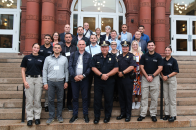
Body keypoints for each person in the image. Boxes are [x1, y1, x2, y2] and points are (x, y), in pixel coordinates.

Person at [91, 41, 119, 124]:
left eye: (106, 47)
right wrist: (101, 75)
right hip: (98, 81)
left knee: (108, 99)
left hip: (109, 82)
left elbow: (116, 69)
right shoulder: (96, 57)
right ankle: (97, 117)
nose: (104, 48)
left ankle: (107, 116)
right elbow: (93, 67)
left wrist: (107, 75)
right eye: (102, 47)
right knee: (97, 100)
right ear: (100, 48)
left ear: (108, 48)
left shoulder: (113, 57)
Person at [43, 43, 69, 125]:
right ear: (53, 49)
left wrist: (66, 81)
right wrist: (45, 82)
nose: (57, 49)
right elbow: (44, 70)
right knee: (50, 100)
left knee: (60, 99)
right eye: (55, 48)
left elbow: (66, 71)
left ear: (61, 49)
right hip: (50, 81)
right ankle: (51, 117)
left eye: (58, 48)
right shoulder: (47, 59)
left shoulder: (64, 59)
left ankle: (59, 116)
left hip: (60, 81)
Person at [137, 40, 163, 122]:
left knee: (154, 97)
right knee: (144, 97)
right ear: (147, 47)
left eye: (152, 45)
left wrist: (152, 76)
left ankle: (153, 114)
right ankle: (142, 114)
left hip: (155, 78)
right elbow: (141, 67)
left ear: (155, 46)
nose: (151, 46)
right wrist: (147, 76)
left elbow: (160, 68)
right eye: (149, 45)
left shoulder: (158, 56)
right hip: (145, 78)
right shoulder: (144, 56)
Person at [21, 43, 45, 126]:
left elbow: (44, 70)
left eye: (37, 48)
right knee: (29, 99)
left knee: (37, 99)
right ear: (32, 48)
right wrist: (25, 81)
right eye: (34, 47)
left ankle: (37, 117)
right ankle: (30, 118)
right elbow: (23, 70)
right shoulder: (26, 58)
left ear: (39, 49)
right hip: (29, 79)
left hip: (38, 79)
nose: (36, 49)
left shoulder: (42, 58)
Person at [68, 40, 92, 123]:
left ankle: (85, 114)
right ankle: (75, 115)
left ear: (85, 45)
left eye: (83, 44)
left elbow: (90, 67)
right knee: (75, 97)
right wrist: (74, 76)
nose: (81, 46)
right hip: (74, 80)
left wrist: (84, 75)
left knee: (85, 97)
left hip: (84, 79)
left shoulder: (89, 55)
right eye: (80, 44)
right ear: (77, 45)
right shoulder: (73, 54)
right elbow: (70, 66)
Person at [116, 41, 136, 122]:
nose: (124, 48)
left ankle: (128, 115)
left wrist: (123, 72)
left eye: (126, 47)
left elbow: (131, 67)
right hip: (119, 79)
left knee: (128, 97)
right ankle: (123, 113)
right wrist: (118, 73)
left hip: (128, 79)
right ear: (121, 47)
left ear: (128, 47)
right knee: (121, 97)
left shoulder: (132, 56)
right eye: (123, 47)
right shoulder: (119, 56)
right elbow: (115, 66)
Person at [161, 46, 179, 122]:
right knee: (166, 98)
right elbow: (160, 69)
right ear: (164, 51)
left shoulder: (174, 60)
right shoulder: (162, 60)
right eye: (166, 50)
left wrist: (167, 76)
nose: (167, 51)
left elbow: (176, 71)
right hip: (164, 79)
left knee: (172, 98)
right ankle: (167, 114)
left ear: (171, 51)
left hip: (171, 79)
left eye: (169, 50)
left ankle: (173, 115)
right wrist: (163, 76)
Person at [61, 33, 77, 111]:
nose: (68, 38)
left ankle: (69, 104)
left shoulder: (74, 47)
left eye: (69, 37)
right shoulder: (61, 47)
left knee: (70, 88)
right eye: (66, 37)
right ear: (64, 38)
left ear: (71, 38)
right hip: (62, 70)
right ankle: (63, 104)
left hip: (71, 70)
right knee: (62, 88)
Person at [85, 34, 101, 107]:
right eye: (92, 38)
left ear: (97, 39)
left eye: (95, 38)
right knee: (88, 87)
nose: (93, 39)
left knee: (98, 87)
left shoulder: (100, 48)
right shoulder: (86, 48)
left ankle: (99, 104)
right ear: (90, 39)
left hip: (98, 69)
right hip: (89, 69)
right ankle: (87, 103)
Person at [39, 34, 53, 112]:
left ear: (51, 40)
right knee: (39, 89)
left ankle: (47, 104)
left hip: (49, 72)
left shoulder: (52, 49)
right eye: (46, 38)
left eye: (48, 38)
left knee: (48, 90)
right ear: (44, 39)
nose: (47, 39)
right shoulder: (40, 48)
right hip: (39, 71)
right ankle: (38, 104)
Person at [130, 40, 143, 109]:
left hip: (139, 73)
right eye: (133, 44)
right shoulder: (130, 53)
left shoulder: (141, 53)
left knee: (139, 89)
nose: (135, 46)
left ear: (138, 46)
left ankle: (138, 102)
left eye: (136, 44)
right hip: (132, 73)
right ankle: (133, 103)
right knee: (133, 89)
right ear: (132, 46)